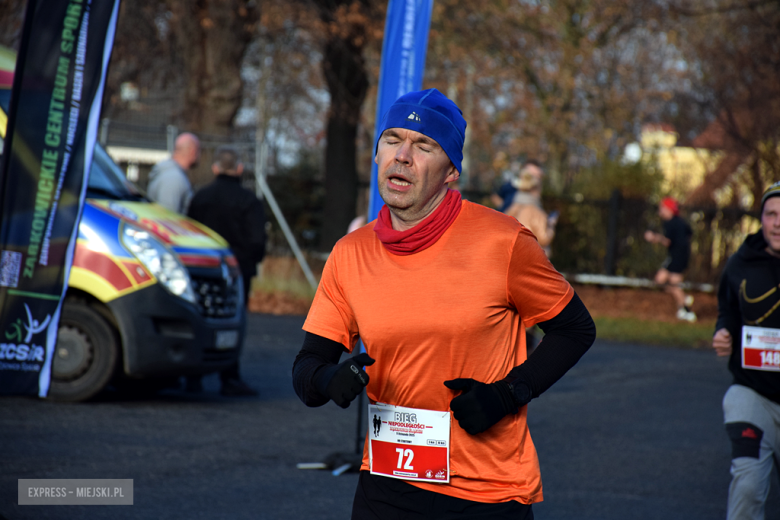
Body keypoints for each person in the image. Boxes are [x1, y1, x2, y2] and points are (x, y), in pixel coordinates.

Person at [292, 88, 596, 519]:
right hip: (385, 487)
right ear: (377, 155)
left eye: (423, 145)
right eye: (393, 140)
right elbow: (307, 366)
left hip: (485, 493)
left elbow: (576, 329)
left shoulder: (502, 241)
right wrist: (329, 381)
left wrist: (507, 395)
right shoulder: (350, 253)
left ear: (451, 171)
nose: (402, 156)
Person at [713, 181, 780, 520]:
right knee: (749, 486)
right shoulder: (740, 263)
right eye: (771, 214)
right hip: (752, 394)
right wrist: (722, 331)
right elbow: (727, 310)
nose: (778, 222)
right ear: (762, 218)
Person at [186, 146, 267, 397]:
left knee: (199, 317)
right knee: (233, 322)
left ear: (215, 168)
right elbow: (257, 240)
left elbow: (189, 233)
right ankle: (229, 377)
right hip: (238, 271)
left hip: (201, 269)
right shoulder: (248, 200)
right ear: (240, 169)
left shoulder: (200, 197)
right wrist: (248, 262)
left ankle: (193, 376)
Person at [644, 196, 696, 322]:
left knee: (674, 284)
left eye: (662, 208)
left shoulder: (673, 223)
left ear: (669, 209)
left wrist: (653, 237)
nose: (660, 211)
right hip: (674, 257)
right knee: (660, 280)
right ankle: (683, 298)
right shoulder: (678, 222)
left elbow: (667, 241)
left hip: (678, 258)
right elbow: (690, 233)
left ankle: (686, 311)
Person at [504, 168, 557, 257]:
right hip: (530, 259)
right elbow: (543, 239)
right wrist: (551, 225)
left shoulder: (510, 209)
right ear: (536, 189)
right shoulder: (536, 212)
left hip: (510, 257)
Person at [147, 132, 201, 214]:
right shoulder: (174, 178)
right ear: (192, 151)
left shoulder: (171, 174)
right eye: (199, 150)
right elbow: (167, 217)